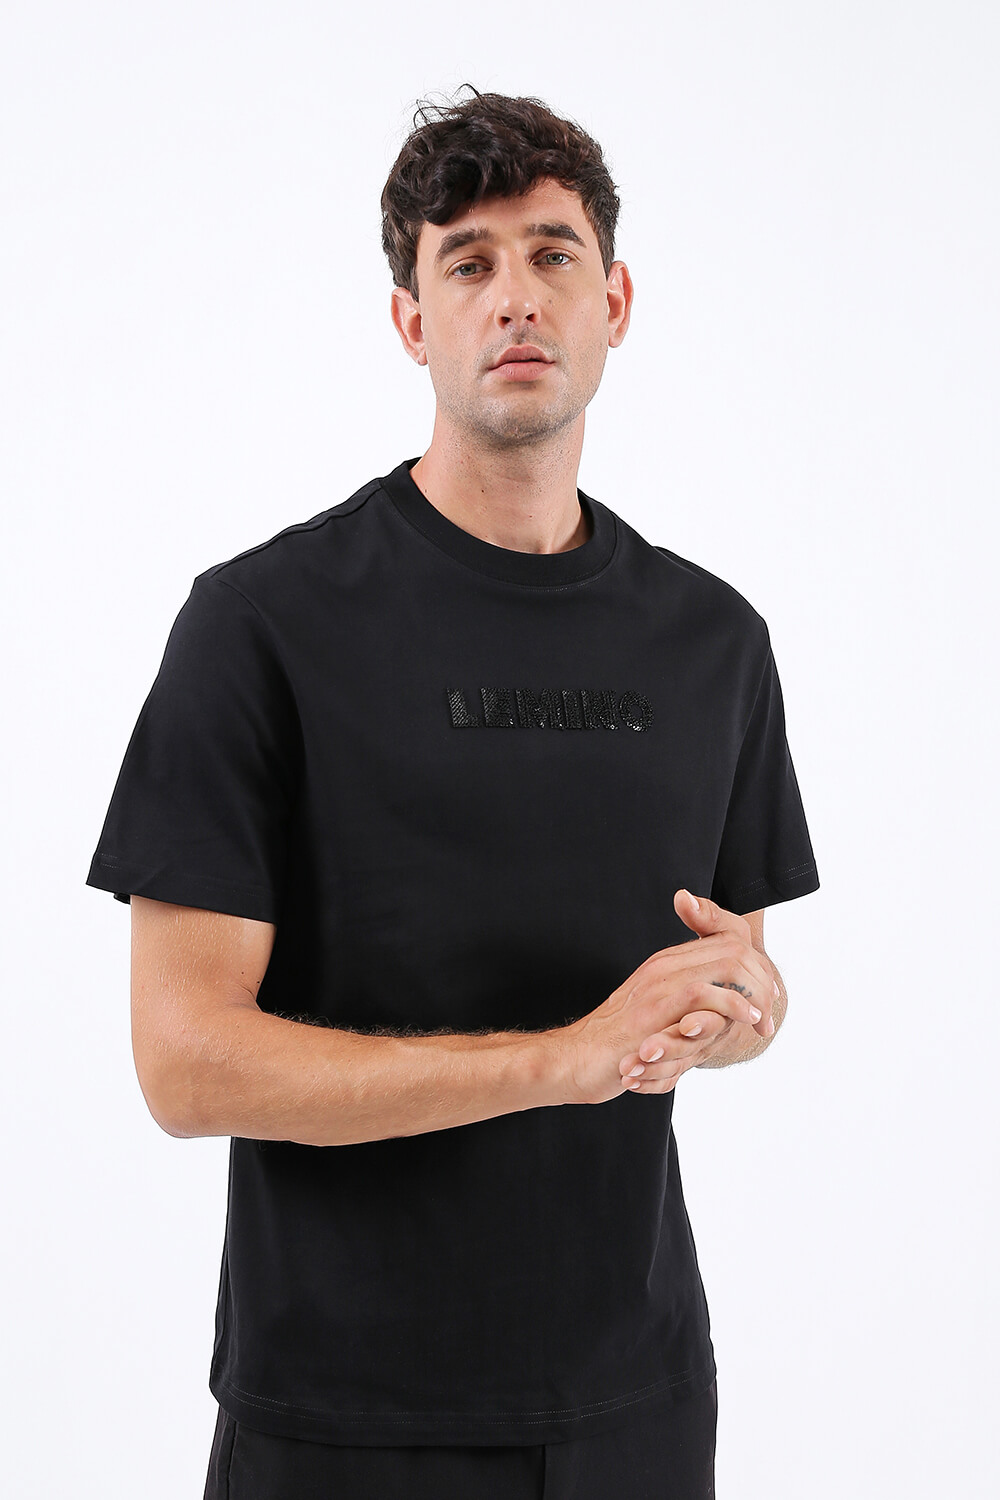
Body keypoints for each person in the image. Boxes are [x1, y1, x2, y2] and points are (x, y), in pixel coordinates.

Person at [86, 86, 820, 1500]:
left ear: (614, 301)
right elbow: (183, 1065)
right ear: (412, 323)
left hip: (637, 1406)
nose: (516, 296)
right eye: (468, 263)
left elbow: (723, 982)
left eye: (552, 254)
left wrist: (745, 1016)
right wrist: (566, 1058)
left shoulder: (713, 640)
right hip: (343, 1417)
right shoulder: (262, 625)